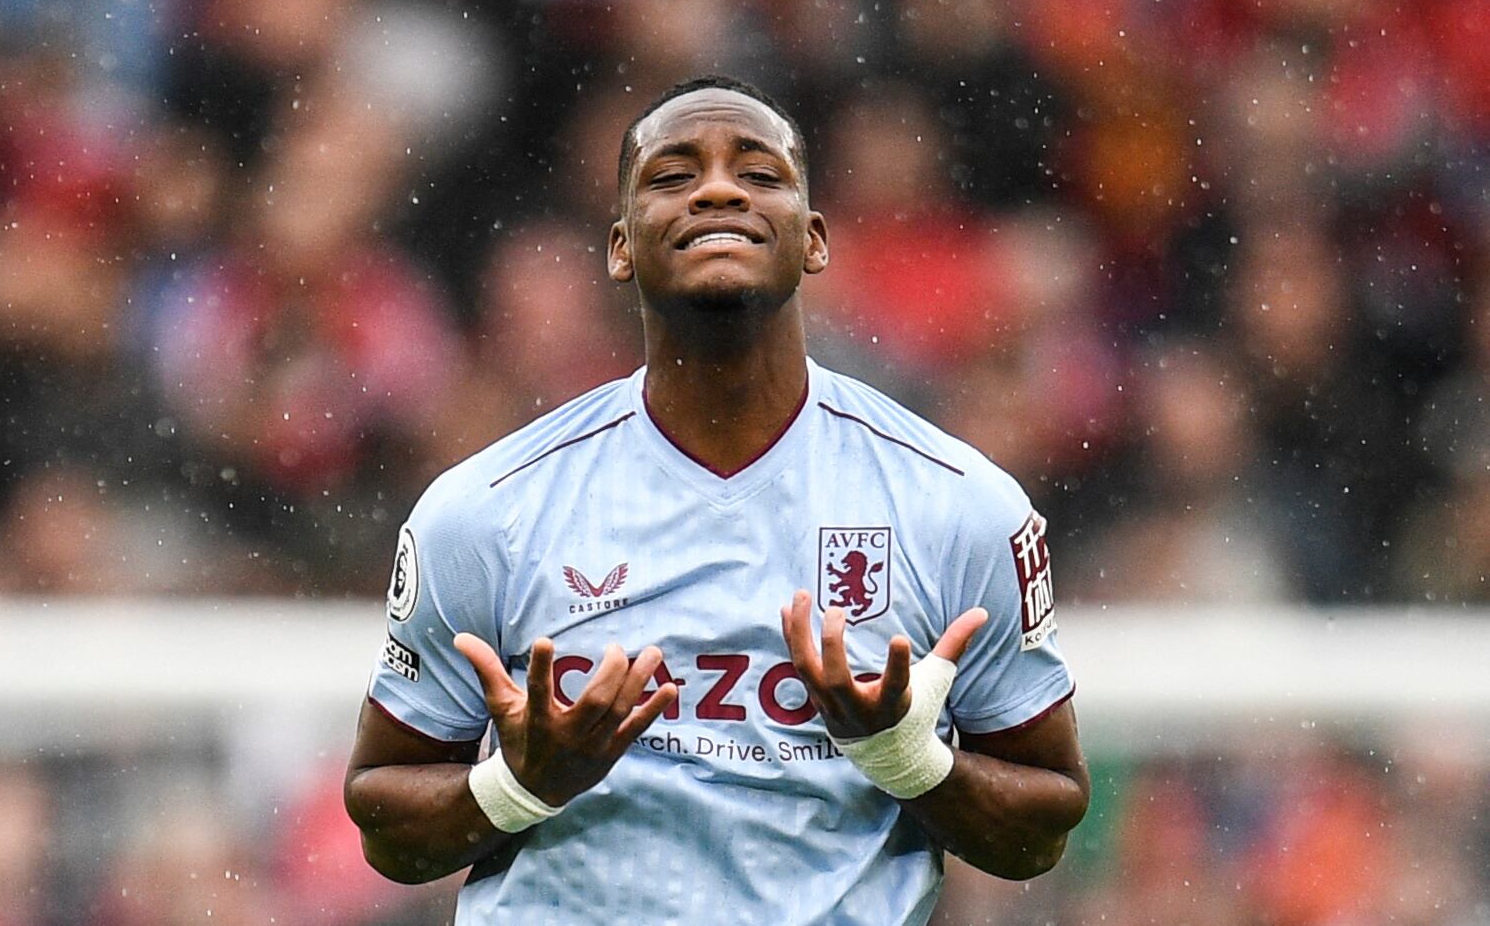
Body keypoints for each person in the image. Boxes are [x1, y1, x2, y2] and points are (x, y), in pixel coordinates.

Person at [343, 75, 1089, 924]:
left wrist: (907, 760)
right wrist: (517, 787)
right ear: (620, 248)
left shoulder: (958, 507)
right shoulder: (485, 510)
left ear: (812, 241)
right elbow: (385, 825)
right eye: (671, 175)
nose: (719, 188)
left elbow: (1042, 827)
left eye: (760, 173)